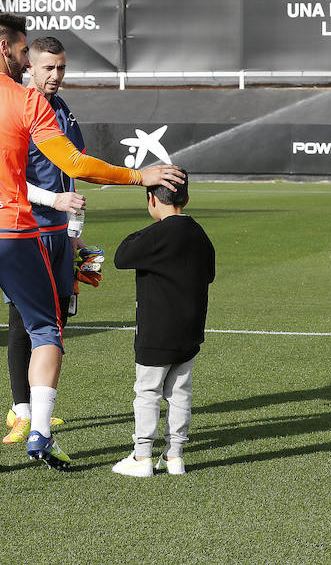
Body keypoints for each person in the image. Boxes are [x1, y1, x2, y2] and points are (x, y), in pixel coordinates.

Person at [0, 13, 184, 475]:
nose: (27, 62)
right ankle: (39, 428)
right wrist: (141, 175)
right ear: (5, 49)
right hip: (12, 233)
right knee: (45, 330)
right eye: (23, 53)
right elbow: (75, 164)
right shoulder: (24, 101)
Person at [2, 36, 87, 445]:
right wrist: (55, 201)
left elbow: (73, 172)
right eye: (48, 69)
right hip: (25, 229)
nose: (56, 76)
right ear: (28, 68)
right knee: (24, 320)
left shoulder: (62, 110)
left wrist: (74, 232)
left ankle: (36, 407)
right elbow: (11, 179)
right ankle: (21, 412)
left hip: (58, 234)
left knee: (56, 321)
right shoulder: (17, 108)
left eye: (62, 68)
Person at [111, 170, 215, 477]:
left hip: (156, 331)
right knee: (180, 392)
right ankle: (175, 456)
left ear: (151, 199)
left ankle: (142, 455)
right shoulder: (199, 233)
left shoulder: (155, 235)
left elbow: (121, 255)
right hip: (190, 329)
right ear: (187, 198)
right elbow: (208, 273)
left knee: (148, 392)